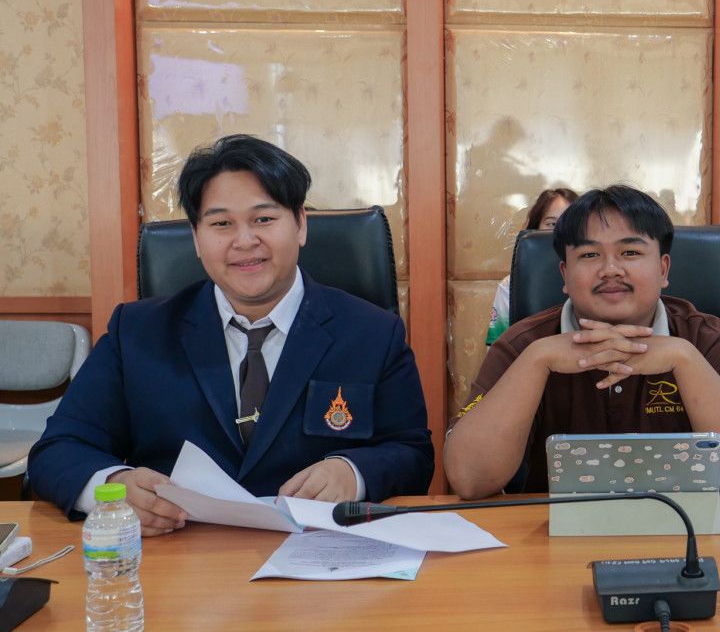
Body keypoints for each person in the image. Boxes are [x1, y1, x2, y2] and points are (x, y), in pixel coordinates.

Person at [29, 134, 435, 534]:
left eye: (263, 219)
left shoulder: (373, 333)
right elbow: (58, 449)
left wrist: (352, 472)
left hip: (317, 552)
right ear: (196, 238)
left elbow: (412, 453)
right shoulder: (136, 332)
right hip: (177, 553)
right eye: (221, 223)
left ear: (300, 225)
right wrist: (114, 488)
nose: (245, 241)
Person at [445, 184, 720, 499]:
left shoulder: (707, 338)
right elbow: (469, 479)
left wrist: (685, 359)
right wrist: (537, 360)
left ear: (663, 269)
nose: (610, 270)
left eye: (630, 252)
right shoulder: (524, 344)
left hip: (689, 530)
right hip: (554, 533)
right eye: (590, 255)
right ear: (564, 275)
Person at [487, 188, 578, 346]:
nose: (560, 232)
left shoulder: (597, 278)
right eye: (552, 224)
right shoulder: (510, 286)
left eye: (569, 224)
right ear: (535, 229)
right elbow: (497, 351)